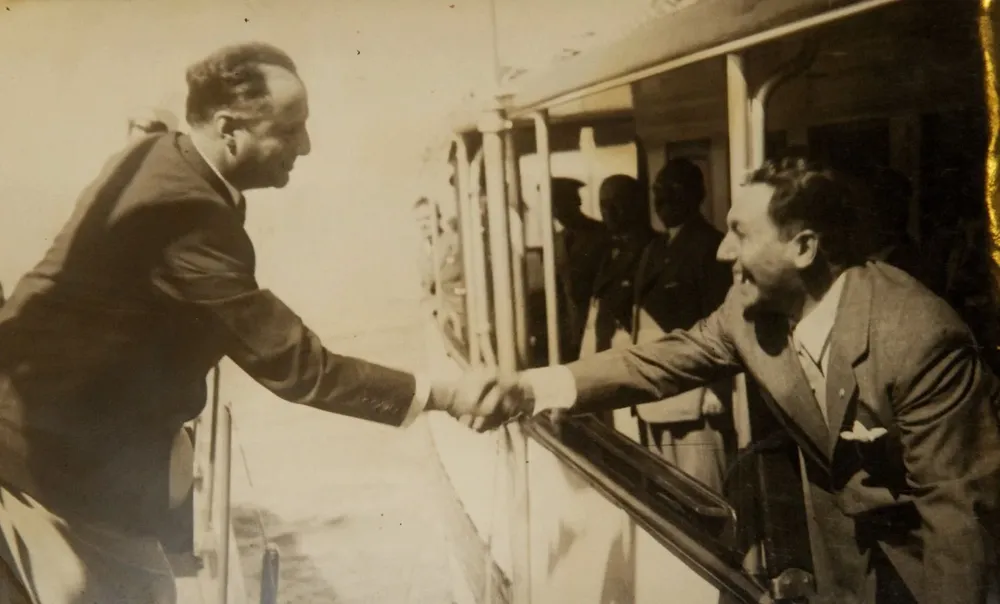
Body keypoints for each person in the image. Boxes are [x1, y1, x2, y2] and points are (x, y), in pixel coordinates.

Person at [0, 42, 513, 603]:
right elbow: (297, 367)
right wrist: (440, 394)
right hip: (58, 465)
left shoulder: (152, 154)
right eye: (291, 130)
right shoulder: (189, 214)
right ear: (228, 130)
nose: (307, 146)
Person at [494, 158, 1000, 603]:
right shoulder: (749, 315)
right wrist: (529, 388)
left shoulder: (916, 335)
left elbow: (960, 521)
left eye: (741, 233)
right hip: (845, 572)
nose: (721, 252)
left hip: (936, 574)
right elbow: (657, 362)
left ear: (803, 247)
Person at [628, 159, 733, 491]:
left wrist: (718, 389)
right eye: (658, 191)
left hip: (694, 398)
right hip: (654, 393)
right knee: (666, 494)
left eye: (673, 191)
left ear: (696, 195)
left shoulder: (711, 246)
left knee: (703, 493)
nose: (662, 200)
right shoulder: (654, 248)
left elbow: (721, 319)